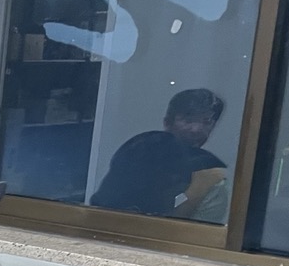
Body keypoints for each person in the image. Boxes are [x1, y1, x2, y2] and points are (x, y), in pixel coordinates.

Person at [90, 88, 229, 223]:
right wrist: (196, 192)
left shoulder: (208, 170)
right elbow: (105, 210)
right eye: (188, 120)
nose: (196, 129)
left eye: (207, 122)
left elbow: (198, 233)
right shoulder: (140, 151)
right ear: (167, 123)